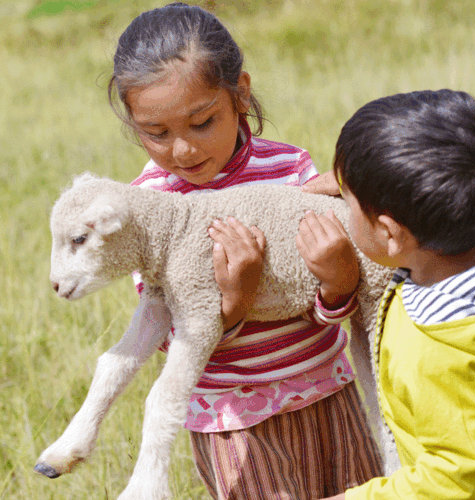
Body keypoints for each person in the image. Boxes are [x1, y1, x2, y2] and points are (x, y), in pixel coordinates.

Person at [107, 3, 382, 499]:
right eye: (157, 133)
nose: (184, 151)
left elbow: (326, 296)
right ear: (134, 122)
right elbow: (167, 340)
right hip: (233, 420)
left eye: (202, 121)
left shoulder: (290, 169)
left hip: (326, 391)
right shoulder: (146, 210)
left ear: (240, 95)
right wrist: (234, 300)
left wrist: (338, 282)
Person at [300, 89, 475, 500]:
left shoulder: (432, 349)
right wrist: (360, 180)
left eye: (349, 201)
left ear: (390, 233)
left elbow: (457, 471)